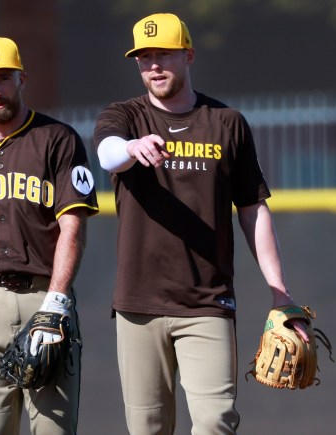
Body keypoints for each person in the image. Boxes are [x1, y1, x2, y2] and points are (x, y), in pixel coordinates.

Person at [93, 13, 309, 435]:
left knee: (215, 422)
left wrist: (280, 295)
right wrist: (133, 147)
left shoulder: (226, 123)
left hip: (206, 302)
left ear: (188, 55)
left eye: (164, 55)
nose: (154, 65)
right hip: (139, 303)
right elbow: (107, 155)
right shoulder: (124, 117)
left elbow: (253, 210)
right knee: (148, 428)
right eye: (144, 57)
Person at [0, 36, 99, 435]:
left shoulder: (58, 140)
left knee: (54, 430)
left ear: (22, 78)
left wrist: (57, 302)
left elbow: (73, 225)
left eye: (4, 78)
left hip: (45, 297)